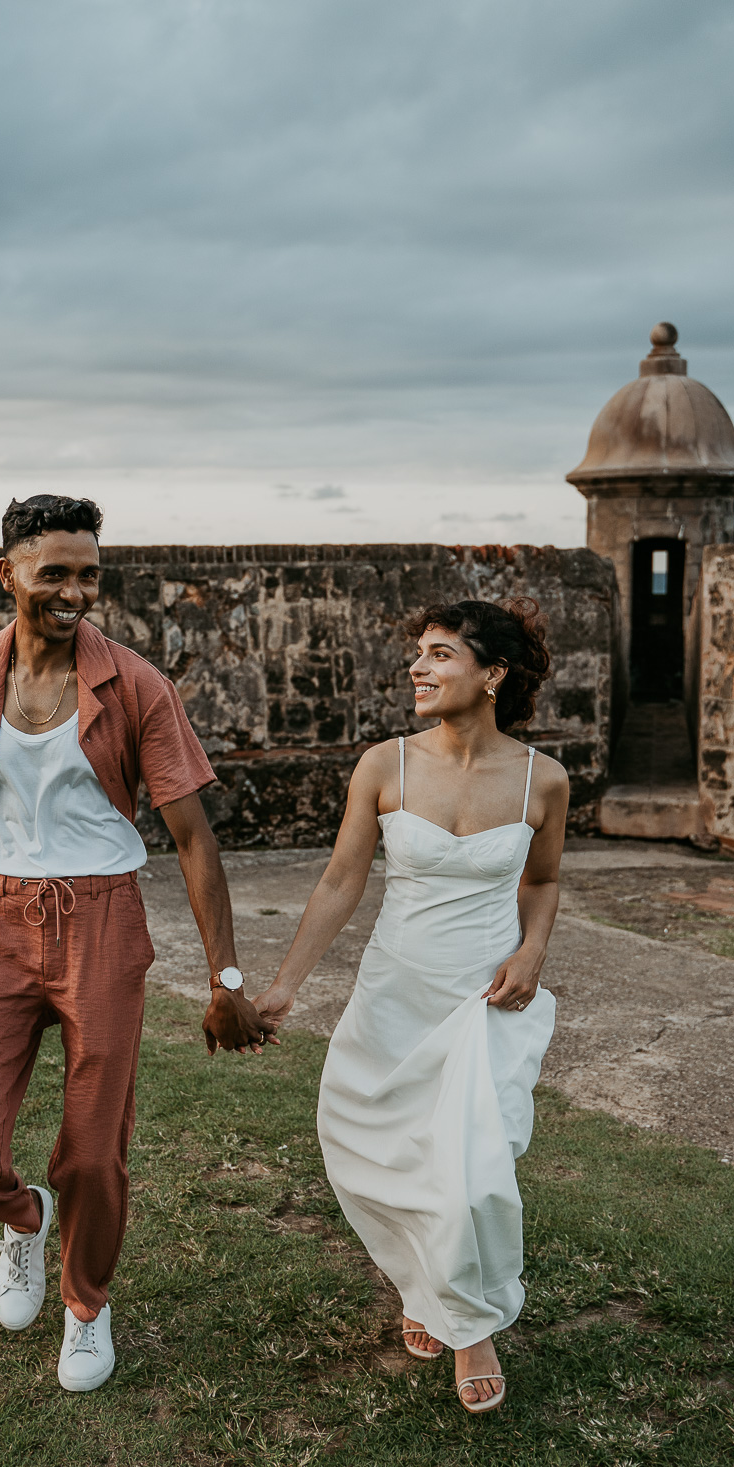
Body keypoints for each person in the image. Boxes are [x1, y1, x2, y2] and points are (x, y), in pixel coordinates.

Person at [0, 494, 271, 1394]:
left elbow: (194, 837)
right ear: (7, 574)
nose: (76, 590)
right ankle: (23, 1219)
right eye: (55, 572)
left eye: (89, 572)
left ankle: (87, 1306)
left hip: (102, 922)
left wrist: (225, 975)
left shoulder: (138, 687)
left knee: (94, 1149)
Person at [254, 597, 567, 1414]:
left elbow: (541, 880)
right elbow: (341, 880)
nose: (419, 669)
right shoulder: (384, 765)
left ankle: (474, 1329)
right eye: (418, 654)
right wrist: (287, 985)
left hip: (483, 1001)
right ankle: (423, 1287)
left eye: (440, 654)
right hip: (397, 994)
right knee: (379, 1154)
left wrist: (532, 951)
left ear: (492, 674)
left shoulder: (545, 780)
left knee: (472, 1174)